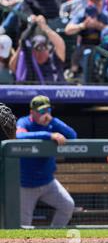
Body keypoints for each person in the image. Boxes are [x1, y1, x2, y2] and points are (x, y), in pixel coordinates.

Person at [16, 95, 77, 227]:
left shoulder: (51, 123)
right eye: (42, 111)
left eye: (48, 110)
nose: (46, 114)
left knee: (67, 206)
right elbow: (19, 136)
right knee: (23, 224)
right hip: (26, 185)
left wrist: (53, 121)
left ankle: (53, 236)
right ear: (32, 112)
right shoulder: (24, 122)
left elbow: (73, 135)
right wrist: (49, 135)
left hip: (48, 182)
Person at [11, 15, 66, 84]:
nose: (40, 51)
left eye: (43, 47)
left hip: (55, 93)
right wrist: (22, 45)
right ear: (33, 51)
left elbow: (60, 44)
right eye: (37, 49)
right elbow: (12, 66)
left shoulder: (54, 59)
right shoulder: (29, 60)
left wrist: (45, 27)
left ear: (48, 49)